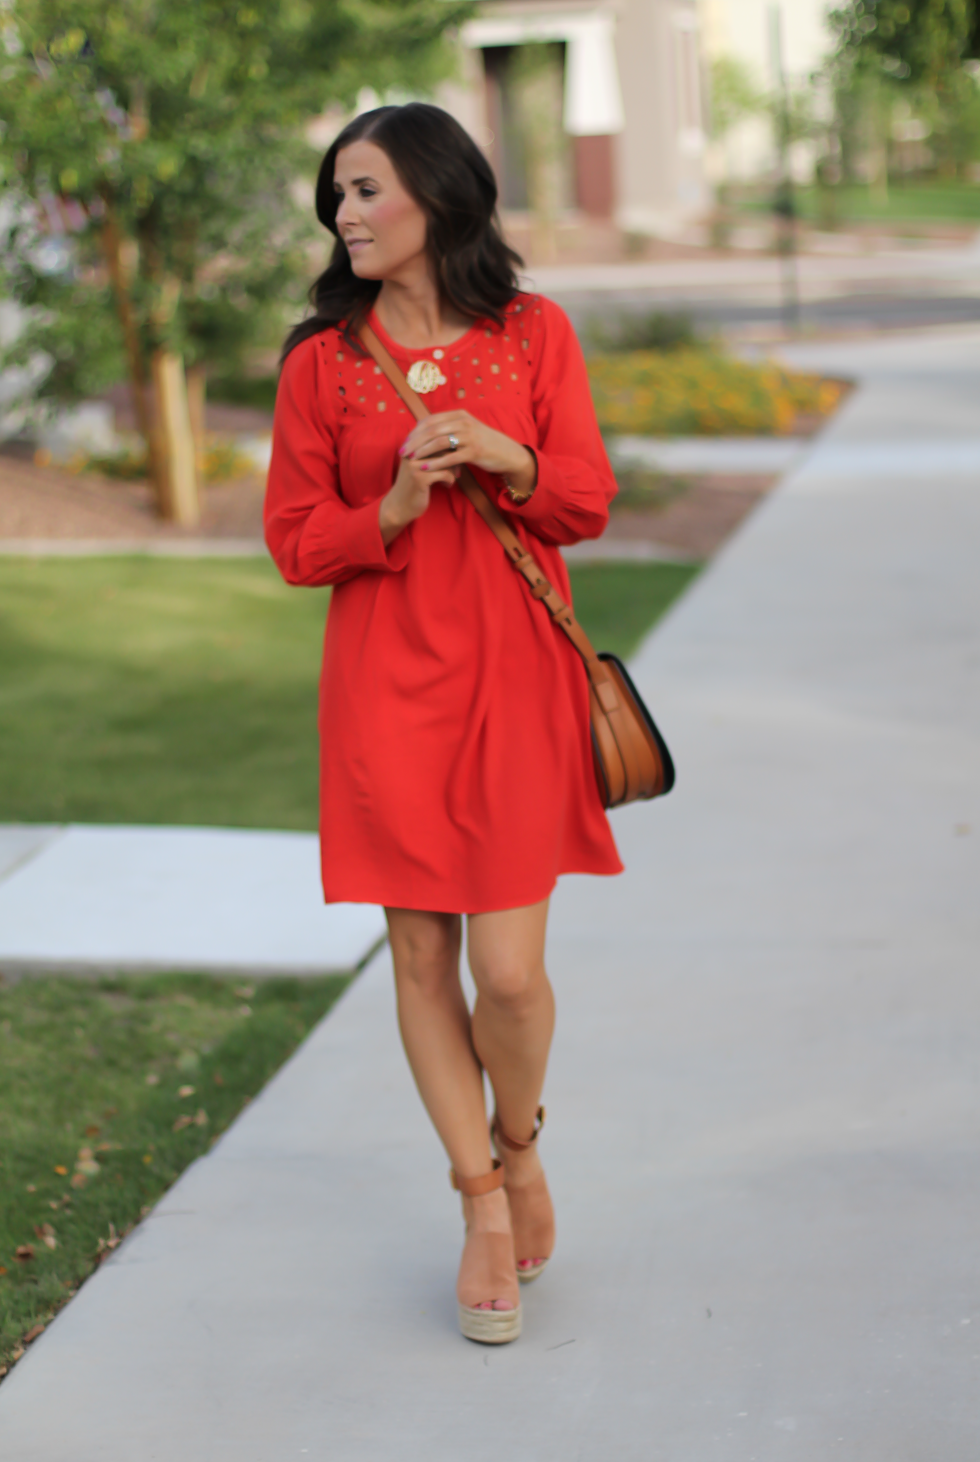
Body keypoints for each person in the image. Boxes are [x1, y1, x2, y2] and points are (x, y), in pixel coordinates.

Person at [264, 102, 622, 1345]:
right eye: (337, 198)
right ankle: (479, 1201)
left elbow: (583, 501)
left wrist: (510, 458)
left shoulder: (533, 334)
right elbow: (295, 542)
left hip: (515, 681)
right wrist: (396, 507)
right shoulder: (319, 362)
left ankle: (518, 1144)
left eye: (364, 191)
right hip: (383, 688)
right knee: (421, 958)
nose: (344, 216)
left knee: (509, 975)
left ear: (437, 197)